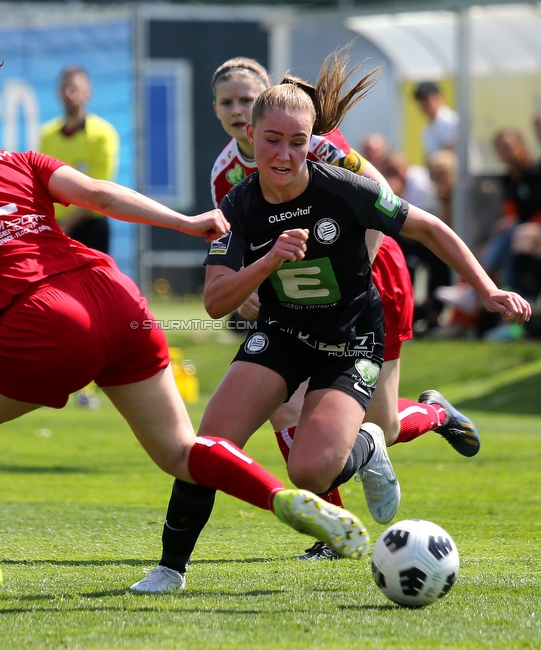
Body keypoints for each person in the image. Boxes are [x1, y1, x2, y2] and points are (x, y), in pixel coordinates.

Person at [0, 46, 371, 610]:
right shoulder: (18, 160)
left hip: (42, 316)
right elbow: (96, 194)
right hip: (117, 297)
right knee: (180, 449)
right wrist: (186, 222)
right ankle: (284, 498)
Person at [129, 49, 530, 592]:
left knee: (310, 472)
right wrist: (268, 260)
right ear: (252, 133)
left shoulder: (345, 185)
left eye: (297, 142)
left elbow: (429, 228)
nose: (285, 154)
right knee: (208, 445)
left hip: (350, 337)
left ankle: (367, 444)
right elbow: (215, 300)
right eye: (272, 140)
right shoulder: (239, 200)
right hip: (282, 334)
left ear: (311, 140)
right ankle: (169, 569)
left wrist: (486, 288)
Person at [200, 56, 479, 564]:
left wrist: (352, 277)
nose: (238, 110)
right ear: (216, 109)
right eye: (228, 102)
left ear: (268, 98)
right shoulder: (226, 174)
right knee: (284, 407)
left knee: (382, 427)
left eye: (247, 98)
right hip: (297, 301)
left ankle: (434, 412)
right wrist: (249, 290)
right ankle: (330, 529)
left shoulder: (317, 143)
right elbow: (235, 244)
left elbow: (379, 201)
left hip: (371, 280)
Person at [39, 65, 119, 253]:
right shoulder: (47, 134)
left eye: (74, 88)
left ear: (88, 93)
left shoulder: (103, 134)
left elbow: (100, 186)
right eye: (64, 88)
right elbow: (41, 182)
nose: (69, 93)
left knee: (96, 281)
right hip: (57, 226)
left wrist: (67, 224)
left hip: (91, 225)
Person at [413, 81, 457, 158]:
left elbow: (448, 156)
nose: (423, 104)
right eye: (420, 100)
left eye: (427, 99)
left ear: (439, 98)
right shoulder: (428, 128)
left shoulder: (450, 120)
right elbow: (428, 157)